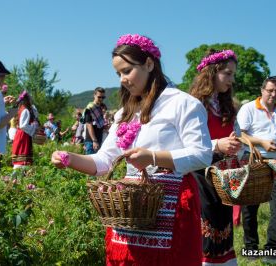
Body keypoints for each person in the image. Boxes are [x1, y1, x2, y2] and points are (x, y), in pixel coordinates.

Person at [52, 34, 212, 266]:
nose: (123, 79)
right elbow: (104, 162)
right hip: (131, 210)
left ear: (149, 64)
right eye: (118, 74)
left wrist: (153, 157)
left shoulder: (182, 104)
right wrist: (69, 158)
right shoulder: (125, 112)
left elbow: (202, 154)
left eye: (127, 71)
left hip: (171, 205)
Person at [189, 49, 241, 266]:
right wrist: (217, 145)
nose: (231, 79)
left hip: (224, 175)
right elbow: (185, 144)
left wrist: (236, 145)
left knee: (223, 226)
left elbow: (235, 137)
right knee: (206, 229)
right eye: (227, 74)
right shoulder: (193, 105)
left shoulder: (228, 106)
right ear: (212, 72)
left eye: (232, 75)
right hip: (200, 175)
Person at [237, 76, 276, 265]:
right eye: (269, 90)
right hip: (254, 160)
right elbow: (239, 136)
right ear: (262, 90)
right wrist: (261, 142)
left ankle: (272, 250)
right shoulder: (248, 109)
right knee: (250, 206)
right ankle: (250, 248)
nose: (273, 94)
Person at [11, 91, 38, 169]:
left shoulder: (21, 108)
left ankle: (18, 176)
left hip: (21, 134)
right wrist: (33, 127)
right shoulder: (25, 110)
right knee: (22, 157)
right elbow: (23, 125)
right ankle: (18, 176)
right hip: (23, 135)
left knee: (20, 156)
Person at [83, 87, 106, 154]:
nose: (101, 99)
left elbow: (97, 124)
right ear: (94, 95)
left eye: (103, 97)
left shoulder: (100, 108)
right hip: (91, 141)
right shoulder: (90, 108)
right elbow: (89, 124)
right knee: (89, 163)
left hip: (99, 139)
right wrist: (94, 141)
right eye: (99, 97)